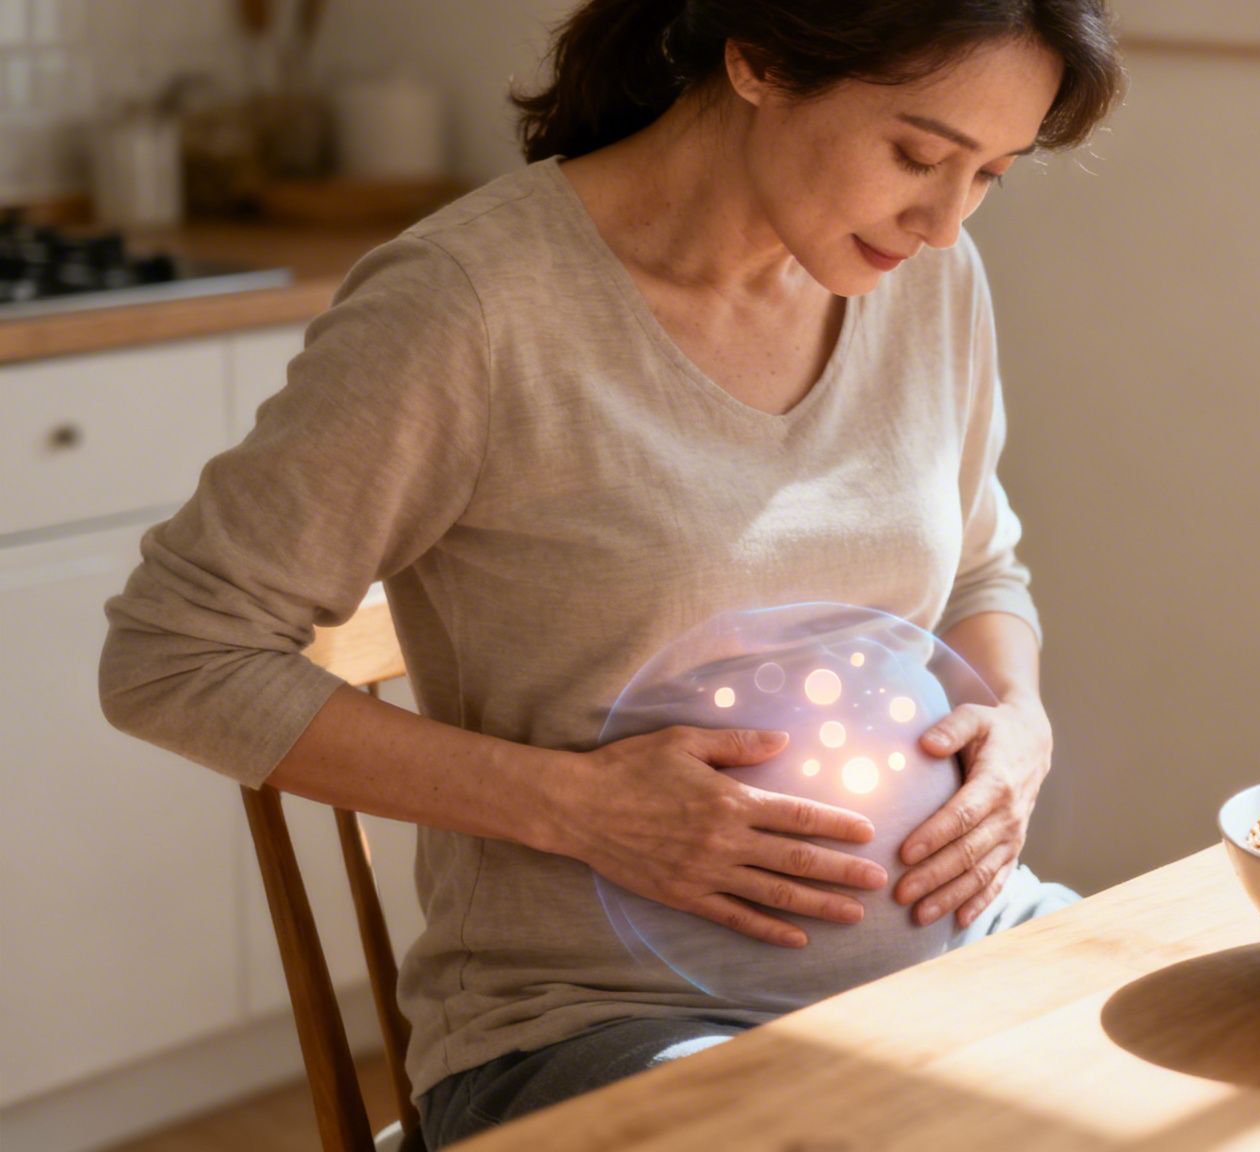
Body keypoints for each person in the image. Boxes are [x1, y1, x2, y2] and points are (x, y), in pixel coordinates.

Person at [98, 1, 1122, 1144]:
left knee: (1224, 1068)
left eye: (989, 175)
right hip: (597, 1021)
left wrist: (1018, 725)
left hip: (957, 949)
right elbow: (172, 653)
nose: (941, 222)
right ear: (760, 56)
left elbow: (981, 561)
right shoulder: (470, 306)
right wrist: (580, 809)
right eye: (918, 154)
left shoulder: (927, 282)